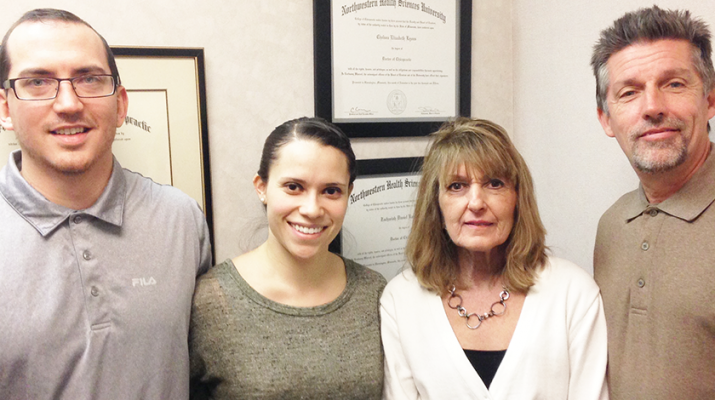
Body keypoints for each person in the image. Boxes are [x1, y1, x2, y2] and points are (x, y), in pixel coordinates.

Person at [0, 9, 212, 399]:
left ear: (120, 105)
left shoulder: (181, 219)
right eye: (37, 81)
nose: (68, 103)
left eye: (89, 79)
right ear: (5, 109)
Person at [380, 118, 608, 399]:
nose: (476, 203)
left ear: (517, 199)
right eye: (457, 186)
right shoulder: (400, 300)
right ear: (436, 207)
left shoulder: (574, 294)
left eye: (495, 183)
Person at [189, 117, 386, 399]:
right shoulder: (210, 302)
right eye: (294, 186)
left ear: (348, 195)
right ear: (261, 187)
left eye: (331, 191)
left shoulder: (374, 293)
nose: (312, 209)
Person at [591, 6, 715, 399]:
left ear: (710, 100)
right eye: (629, 92)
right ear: (606, 119)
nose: (652, 107)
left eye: (674, 84)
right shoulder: (612, 224)